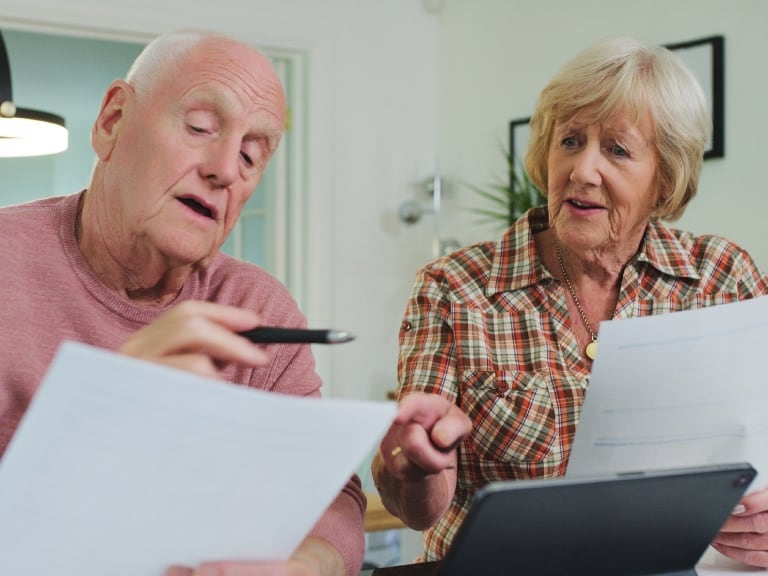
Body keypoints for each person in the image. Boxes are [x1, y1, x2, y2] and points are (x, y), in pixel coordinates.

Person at [372, 36, 768, 568]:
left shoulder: (723, 279)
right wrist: (412, 462)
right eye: (571, 141)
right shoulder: (455, 287)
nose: (583, 170)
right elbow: (417, 506)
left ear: (665, 178)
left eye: (618, 150)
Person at [0, 30, 364, 576]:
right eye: (199, 128)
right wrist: (105, 413)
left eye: (250, 154)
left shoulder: (260, 307)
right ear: (112, 122)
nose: (224, 168)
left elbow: (328, 497)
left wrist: (306, 567)